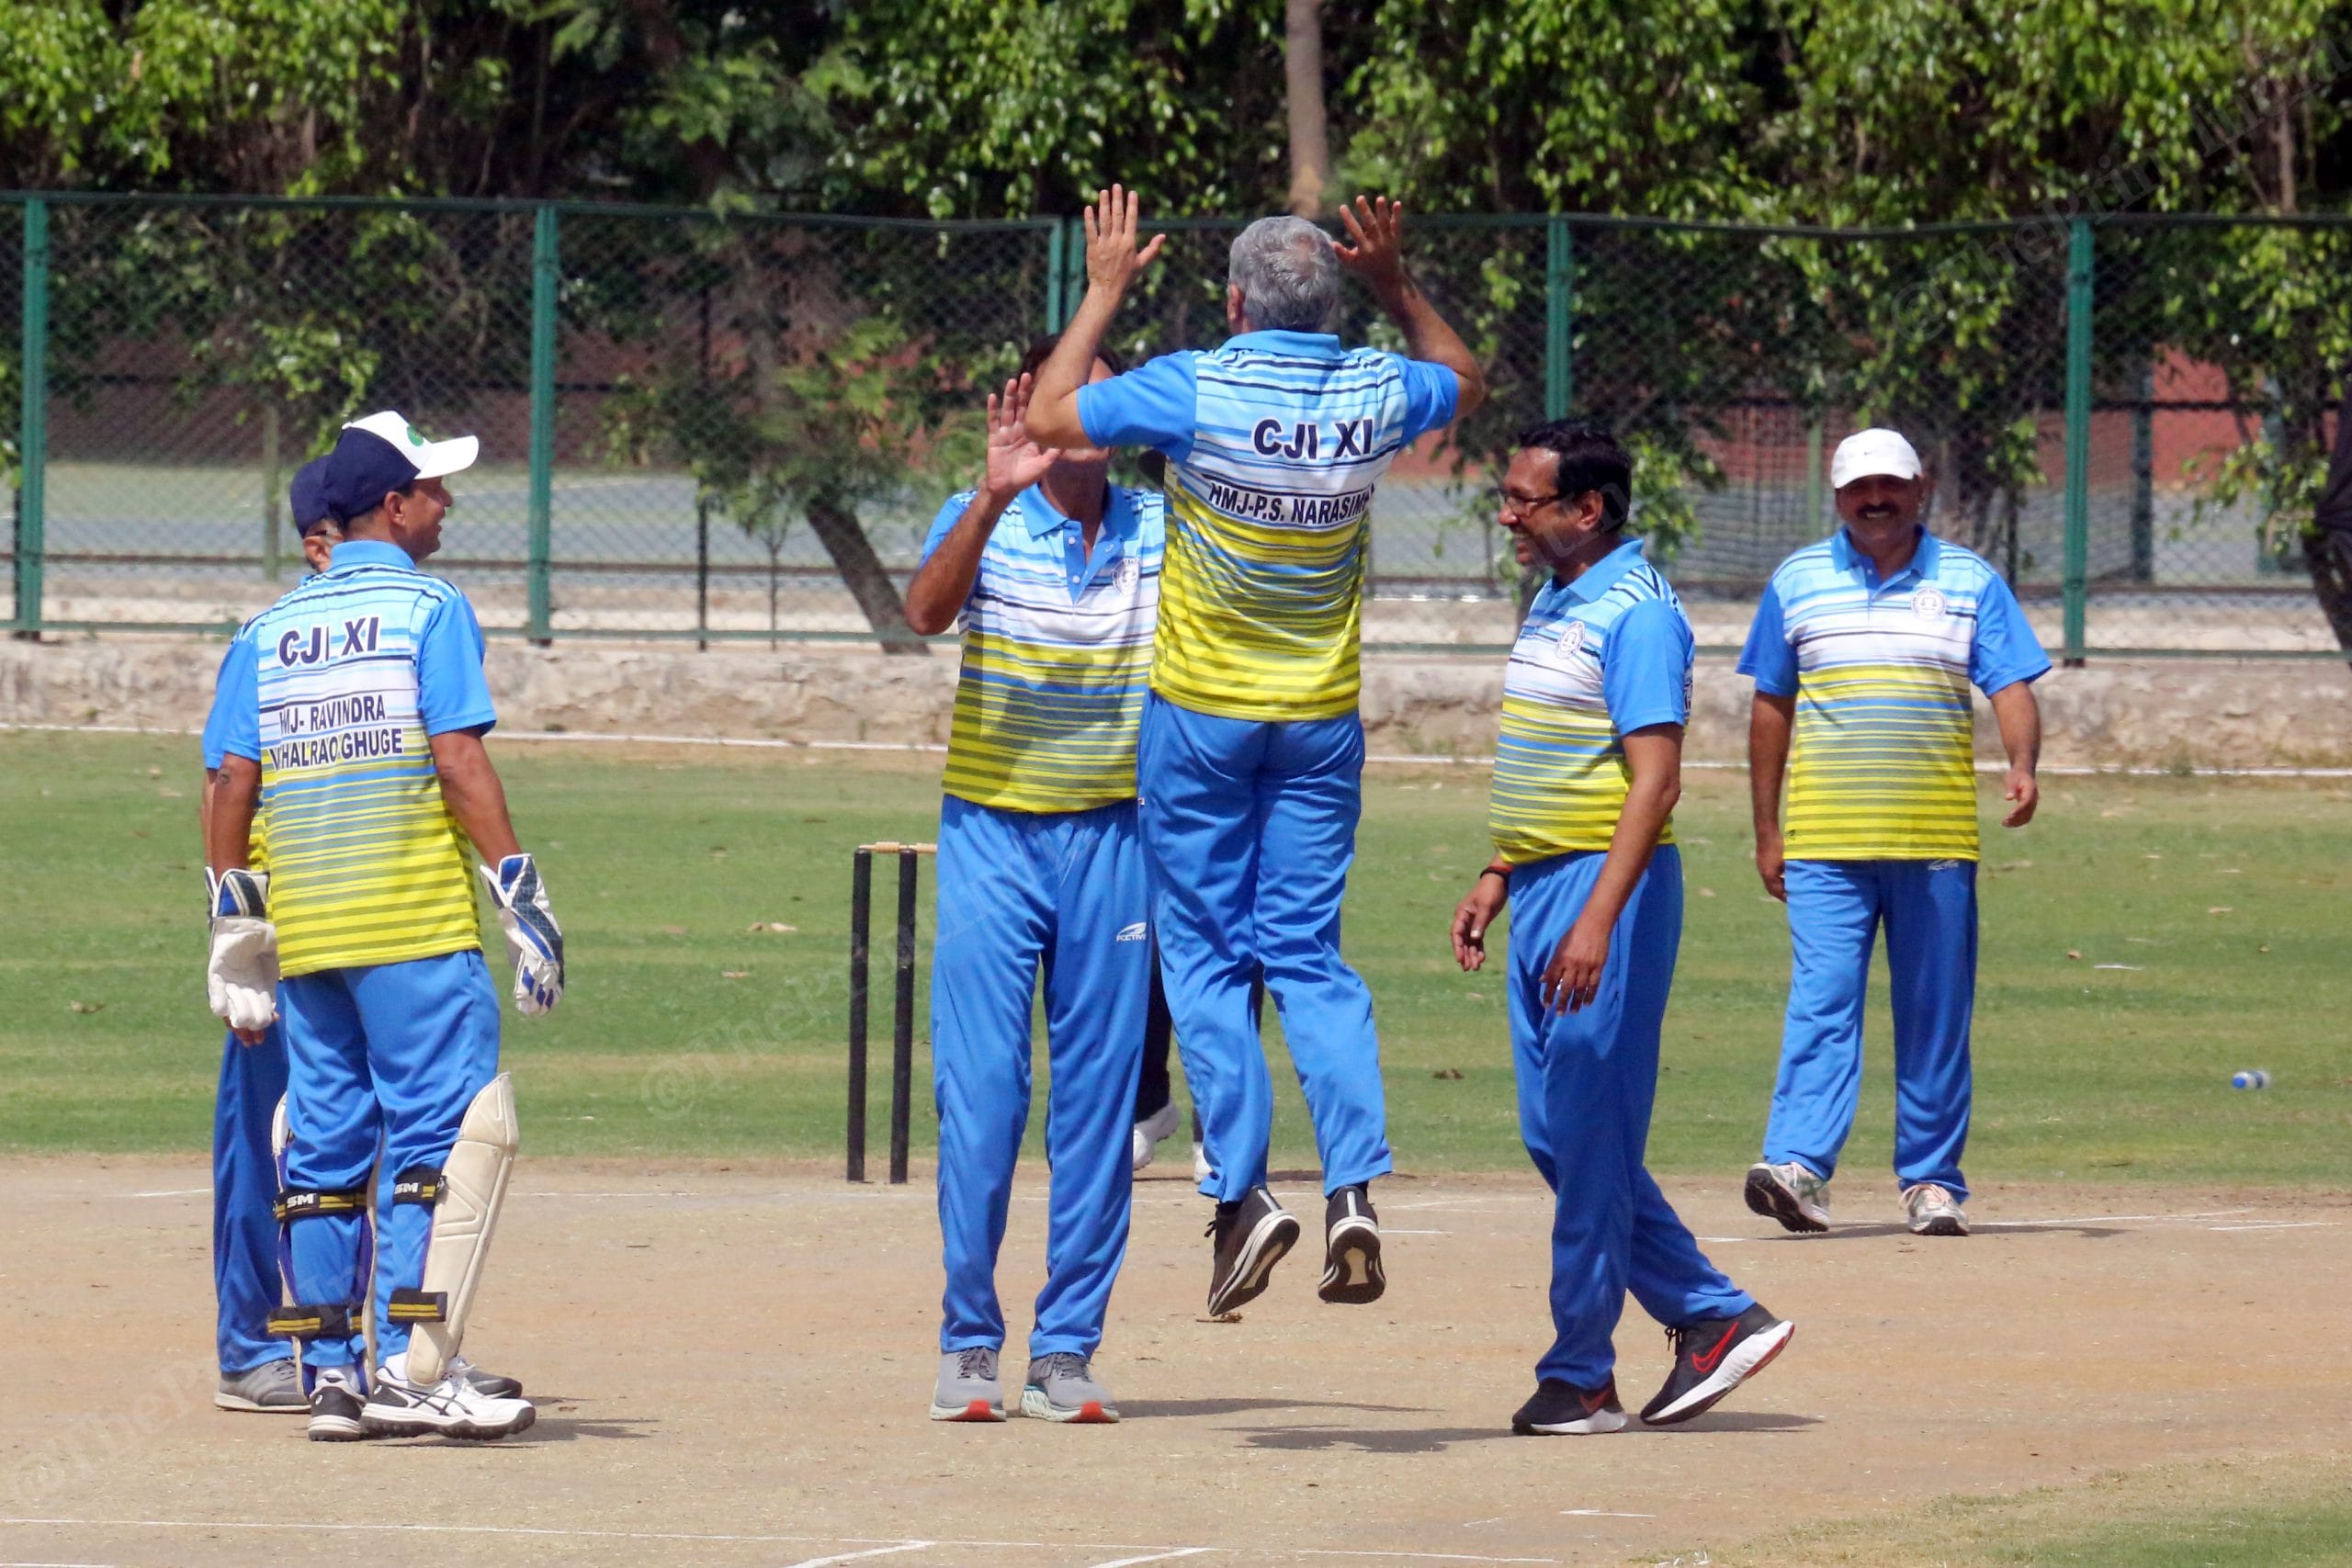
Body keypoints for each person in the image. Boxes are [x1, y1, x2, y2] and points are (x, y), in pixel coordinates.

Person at [1028, 186, 1485, 1316]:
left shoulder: (1198, 383)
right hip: (1320, 724)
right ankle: (1355, 1196)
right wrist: (1398, 282)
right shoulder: (1377, 387)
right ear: (1331, 299)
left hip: (1200, 720)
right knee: (1309, 957)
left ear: (1233, 302)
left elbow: (1049, 417)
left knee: (1205, 961)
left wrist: (1101, 291)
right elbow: (1464, 380)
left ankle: (1241, 1196)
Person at [205, 411, 562, 1442]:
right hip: (411, 920)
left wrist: (235, 920)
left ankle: (331, 1374)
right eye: (433, 491)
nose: (447, 505)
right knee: (439, 1141)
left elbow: (232, 781)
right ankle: (416, 1365)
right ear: (392, 508)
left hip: (311, 931)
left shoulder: (268, 630)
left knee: (323, 1148)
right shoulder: (430, 607)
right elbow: (456, 759)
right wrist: (520, 892)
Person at [1451, 418, 1794, 1435]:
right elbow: (1561, 759)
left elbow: (1656, 780)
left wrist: (1597, 917)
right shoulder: (1556, 595)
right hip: (1546, 884)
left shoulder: (1638, 614)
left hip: (1612, 891)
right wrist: (1499, 869)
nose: (1506, 513)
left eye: (1524, 499)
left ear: (1586, 511)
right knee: (1557, 1133)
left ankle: (1582, 1373)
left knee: (1588, 1136)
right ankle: (1711, 1317)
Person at [904, 338, 1165, 1424]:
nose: (1085, 408)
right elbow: (922, 613)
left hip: (1118, 842)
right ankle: (970, 1345)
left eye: (1105, 392)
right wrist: (985, 495)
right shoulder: (992, 511)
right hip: (992, 837)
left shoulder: (1165, 527)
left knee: (1100, 1109)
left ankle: (1064, 1352)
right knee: (982, 1100)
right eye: (1070, 390)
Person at [1739, 428, 2049, 1239]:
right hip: (1824, 841)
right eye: (1859, 488)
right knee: (1822, 1003)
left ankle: (1933, 1182)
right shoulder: (1797, 581)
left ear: (1923, 486)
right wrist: (1765, 828)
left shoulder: (1968, 580)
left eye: (1891, 485)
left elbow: (2009, 681)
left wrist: (2022, 762)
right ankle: (1799, 1166)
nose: (1875, 499)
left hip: (1936, 838)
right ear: (1837, 496)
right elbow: (1771, 704)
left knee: (1934, 1013)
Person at [203, 459, 336, 1414]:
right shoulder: (267, 643)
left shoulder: (404, 632)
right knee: (268, 1134)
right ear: (323, 540)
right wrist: (238, 929)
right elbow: (227, 789)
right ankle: (255, 1345)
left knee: (357, 1139)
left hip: (373, 924)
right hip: (285, 936)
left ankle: (349, 1338)